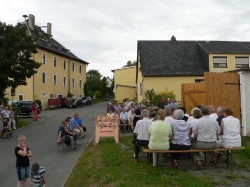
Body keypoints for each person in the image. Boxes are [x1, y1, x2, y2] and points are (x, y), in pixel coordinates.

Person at [191, 105, 220, 170]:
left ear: (201, 112)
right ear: (209, 112)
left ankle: (197, 160)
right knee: (212, 148)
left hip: (200, 144)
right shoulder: (215, 121)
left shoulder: (197, 121)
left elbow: (195, 135)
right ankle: (207, 161)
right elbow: (218, 133)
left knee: (190, 148)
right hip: (212, 144)